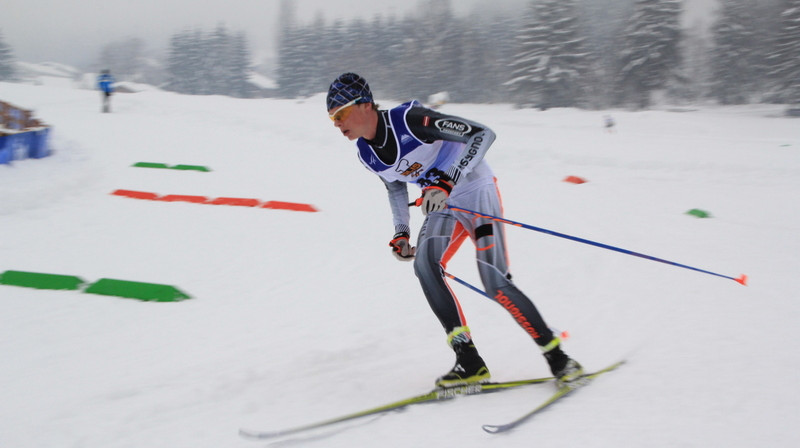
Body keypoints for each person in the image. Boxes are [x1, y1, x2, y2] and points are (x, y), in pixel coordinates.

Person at [326, 73, 584, 388]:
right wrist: (401, 232)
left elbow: (482, 134)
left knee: (495, 282)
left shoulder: (410, 120)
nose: (336, 123)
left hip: (475, 189)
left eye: (340, 113)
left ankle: (558, 357)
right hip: (442, 202)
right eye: (331, 117)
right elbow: (394, 188)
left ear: (365, 105)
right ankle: (469, 360)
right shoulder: (367, 154)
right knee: (425, 266)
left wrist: (447, 180)